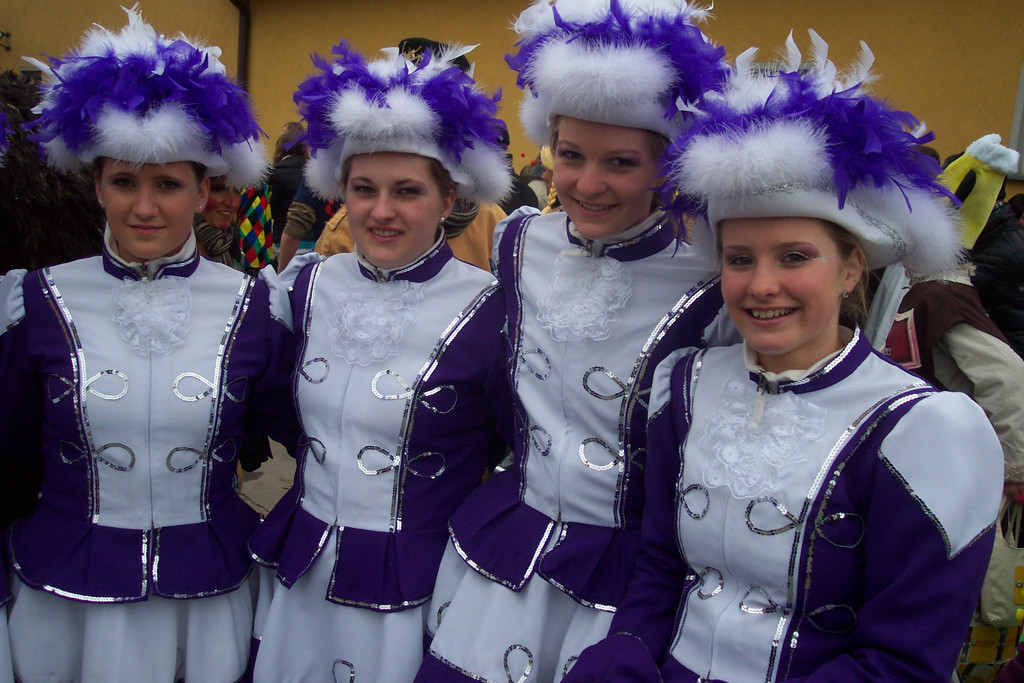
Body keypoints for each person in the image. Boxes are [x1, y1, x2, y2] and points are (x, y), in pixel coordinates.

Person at [563, 32, 1003, 682]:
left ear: (851, 268)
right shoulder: (685, 384)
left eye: (795, 256)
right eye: (740, 259)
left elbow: (902, 661)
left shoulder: (921, 430)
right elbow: (660, 568)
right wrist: (622, 656)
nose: (762, 285)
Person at [415, 2, 732, 681]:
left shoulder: (711, 277)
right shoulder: (518, 241)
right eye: (571, 155)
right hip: (506, 545)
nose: (588, 183)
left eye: (621, 162)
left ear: (667, 166)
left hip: (627, 575)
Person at [0, 9, 299, 681]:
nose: (143, 207)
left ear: (204, 190)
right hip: (64, 597)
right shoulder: (36, 301)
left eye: (167, 183)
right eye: (123, 182)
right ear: (96, 185)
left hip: (209, 595)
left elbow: (316, 439)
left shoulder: (255, 306)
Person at [247, 39, 514, 682]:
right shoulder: (307, 287)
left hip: (419, 586)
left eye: (407, 191)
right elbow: (277, 407)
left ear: (448, 200)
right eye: (363, 189)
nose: (381, 211)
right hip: (302, 571)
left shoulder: (492, 310)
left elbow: (512, 448)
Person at [193, 174, 244, 268]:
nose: (233, 203)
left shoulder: (230, 243)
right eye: (218, 189)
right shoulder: (176, 249)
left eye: (238, 190)